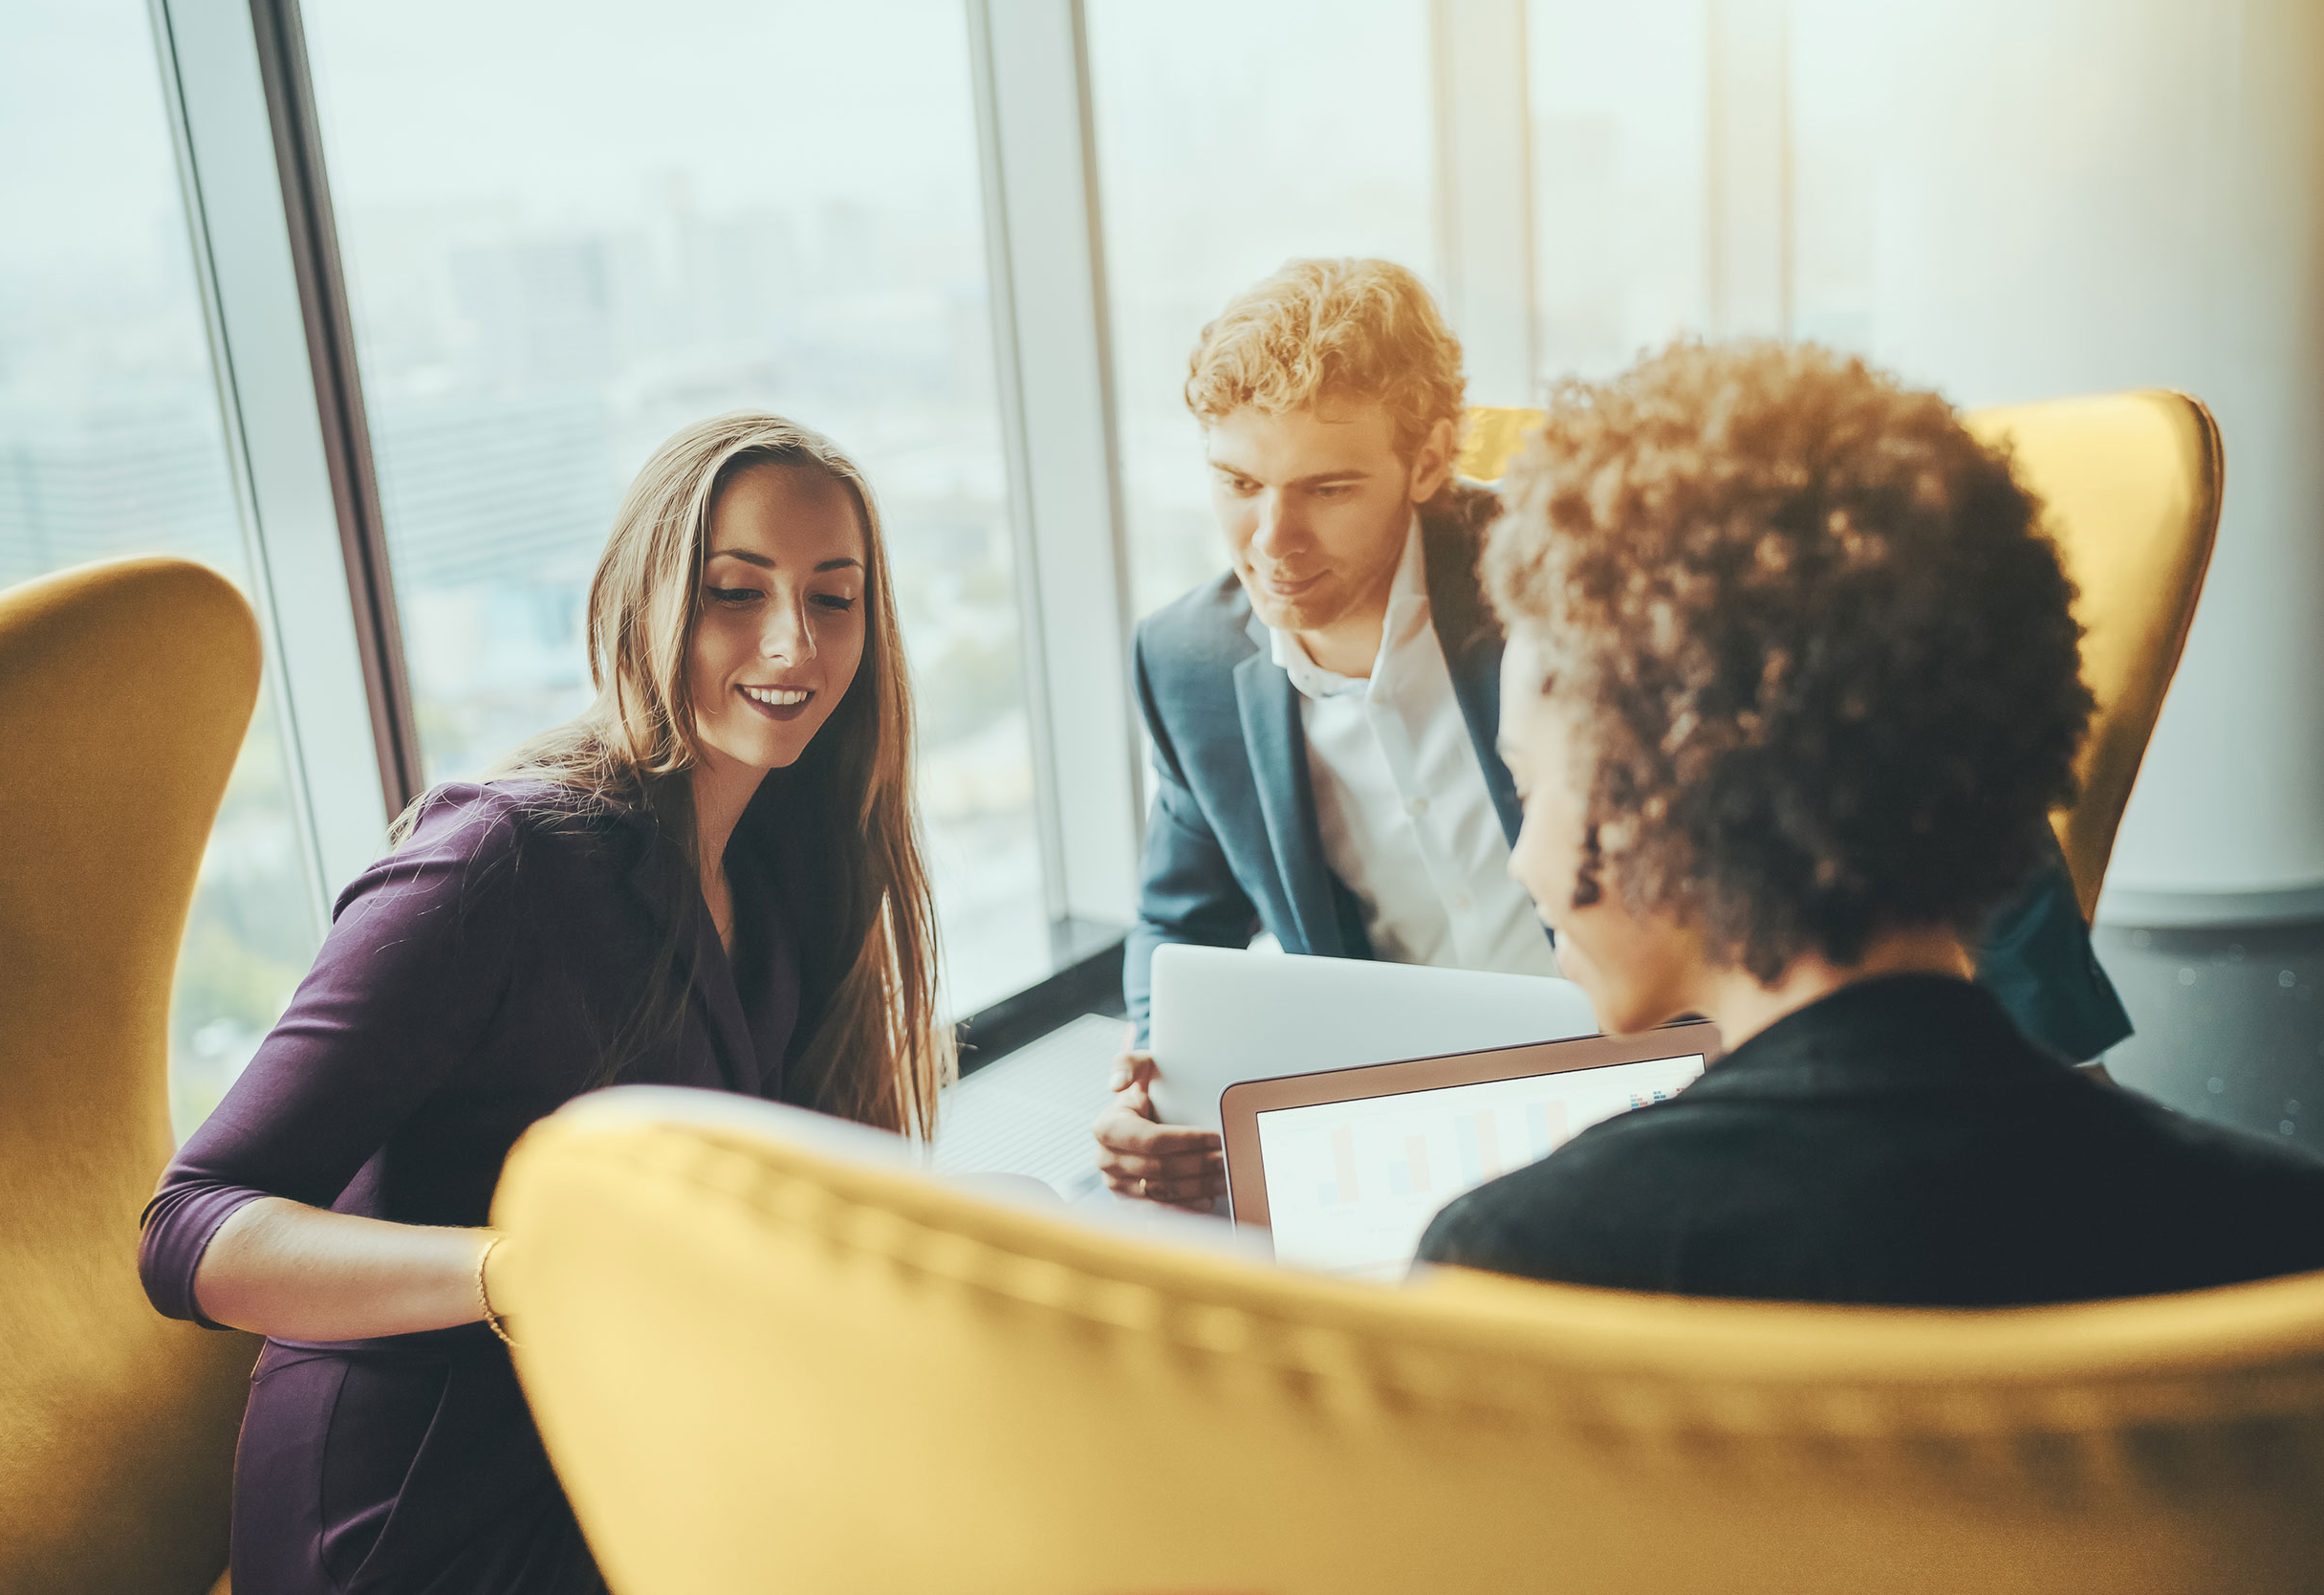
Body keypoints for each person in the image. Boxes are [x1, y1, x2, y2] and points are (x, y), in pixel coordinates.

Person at [1096, 259, 2131, 1211]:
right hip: (1409, 1130)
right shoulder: (1183, 659)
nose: (1271, 545)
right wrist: (1158, 1077)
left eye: (1326, 489)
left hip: (1685, 1081)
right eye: (1237, 486)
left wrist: (2061, 1078)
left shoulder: (1586, 579)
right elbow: (1175, 920)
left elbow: (1913, 741)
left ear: (1429, 459)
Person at [139, 413, 947, 1593]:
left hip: (627, 1455)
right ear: (640, 600)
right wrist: (527, 1269)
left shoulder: (791, 868)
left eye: (834, 600)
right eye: (733, 591)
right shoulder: (499, 862)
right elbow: (190, 1229)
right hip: (415, 1510)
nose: (792, 642)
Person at [1415, 342, 2324, 1304]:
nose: (1522, 864)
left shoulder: (1516, 1267)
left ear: (1645, 800)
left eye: (1529, 786)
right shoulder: (2287, 1239)